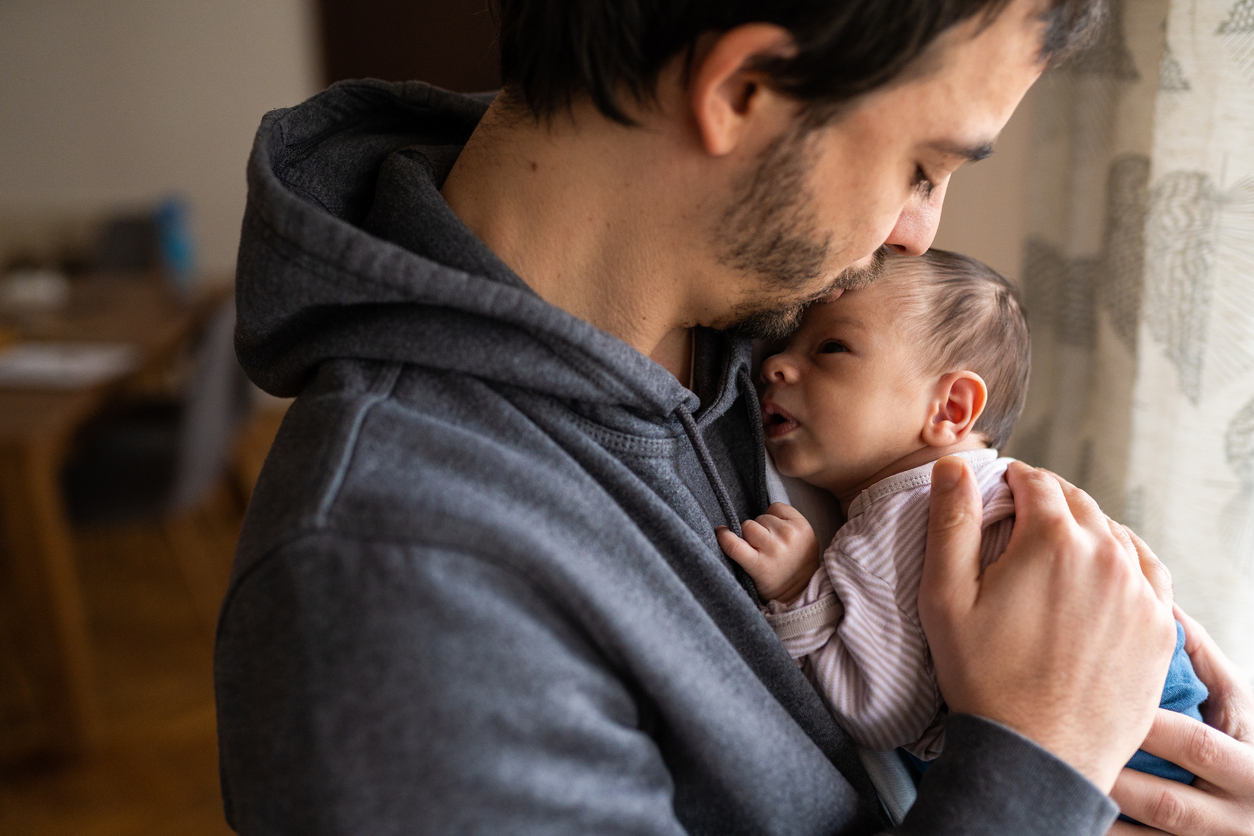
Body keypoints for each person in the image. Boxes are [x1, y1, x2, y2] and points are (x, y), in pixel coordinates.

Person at [215, 0, 1254, 833]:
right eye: (922, 167)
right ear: (744, 92)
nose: (914, 233)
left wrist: (1109, 662)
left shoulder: (769, 333)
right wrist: (1040, 762)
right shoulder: (396, 596)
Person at [715, 249, 1207, 791]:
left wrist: (799, 586)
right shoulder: (1001, 489)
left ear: (950, 408)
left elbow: (883, 714)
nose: (773, 366)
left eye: (832, 348)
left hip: (1117, 741)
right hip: (1164, 706)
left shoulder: (894, 526)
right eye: (784, 347)